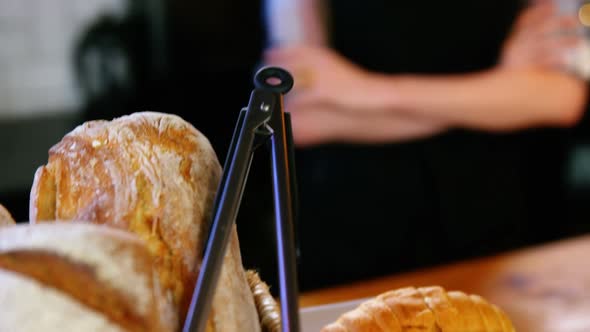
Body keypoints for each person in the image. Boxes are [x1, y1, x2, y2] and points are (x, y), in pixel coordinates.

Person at [265, 0, 589, 290]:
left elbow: (561, 98)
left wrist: (361, 89)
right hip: (358, 232)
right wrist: (501, 88)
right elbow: (302, 114)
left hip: (505, 232)